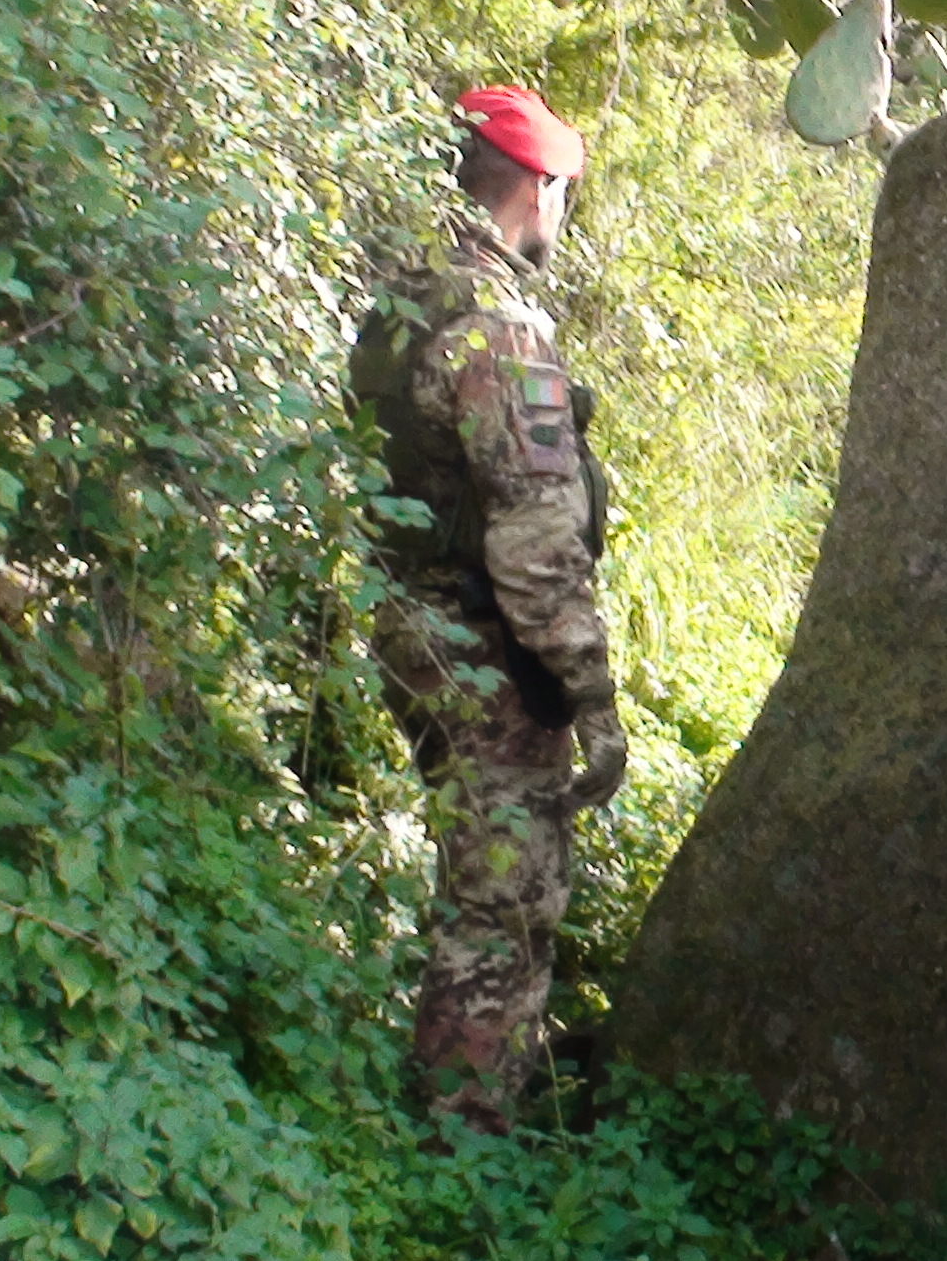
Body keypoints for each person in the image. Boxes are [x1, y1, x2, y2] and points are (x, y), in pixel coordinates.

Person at [348, 83, 628, 1130]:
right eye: (562, 194)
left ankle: (467, 1093)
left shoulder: (404, 303)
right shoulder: (500, 334)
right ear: (536, 187)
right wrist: (591, 700)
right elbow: (535, 543)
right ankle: (463, 1143)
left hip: (409, 628)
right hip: (482, 652)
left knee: (477, 869)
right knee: (504, 907)